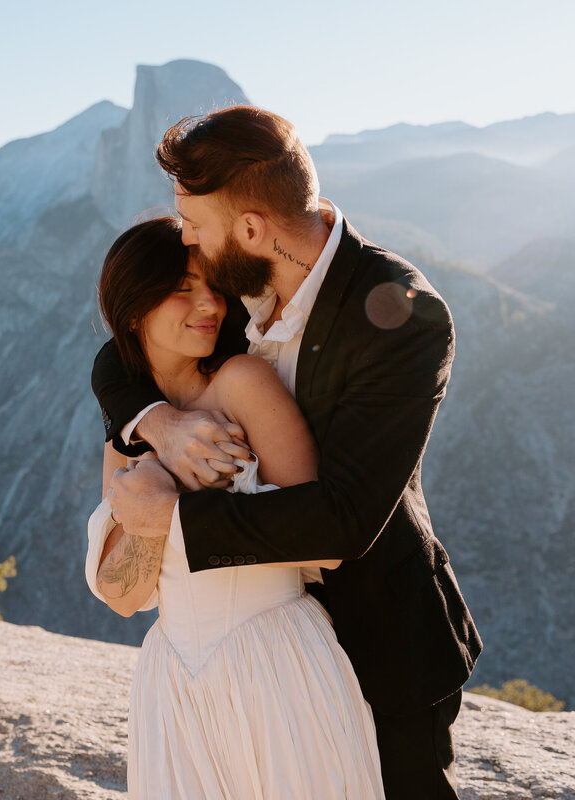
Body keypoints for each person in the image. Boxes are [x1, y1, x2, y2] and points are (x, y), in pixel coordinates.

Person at [92, 106, 482, 799]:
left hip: (380, 637)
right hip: (232, 663)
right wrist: (158, 422)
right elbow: (121, 353)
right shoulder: (237, 288)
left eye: (196, 226)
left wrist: (168, 521)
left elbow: (346, 520)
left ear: (249, 229)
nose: (188, 240)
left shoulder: (401, 318)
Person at [85, 216, 385, 799]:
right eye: (182, 288)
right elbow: (123, 597)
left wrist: (168, 513)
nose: (210, 305)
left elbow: (319, 544)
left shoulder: (244, 382)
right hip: (172, 677)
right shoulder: (127, 431)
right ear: (132, 310)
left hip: (276, 661)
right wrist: (149, 499)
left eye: (213, 287)